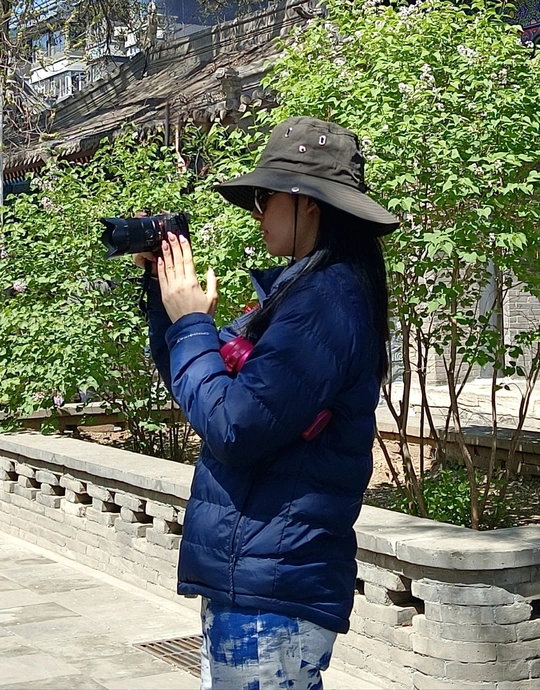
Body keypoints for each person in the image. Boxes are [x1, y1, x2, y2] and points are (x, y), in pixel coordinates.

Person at [137, 116, 399, 690]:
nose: (257, 214)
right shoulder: (304, 293)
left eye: (265, 198)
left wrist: (194, 325)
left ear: (310, 205)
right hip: (259, 580)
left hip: (272, 587)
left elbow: (233, 426)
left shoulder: (323, 303)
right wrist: (169, 306)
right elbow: (201, 393)